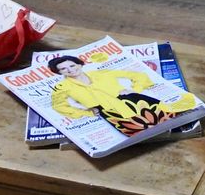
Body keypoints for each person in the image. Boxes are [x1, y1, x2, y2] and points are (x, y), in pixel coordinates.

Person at [47, 55, 195, 135]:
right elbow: (59, 106)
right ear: (59, 72)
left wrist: (134, 89)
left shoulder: (100, 73)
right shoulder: (62, 87)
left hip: (135, 101)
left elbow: (138, 76)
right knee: (140, 135)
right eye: (64, 69)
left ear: (79, 64)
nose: (70, 70)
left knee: (176, 120)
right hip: (111, 113)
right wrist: (85, 113)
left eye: (72, 65)